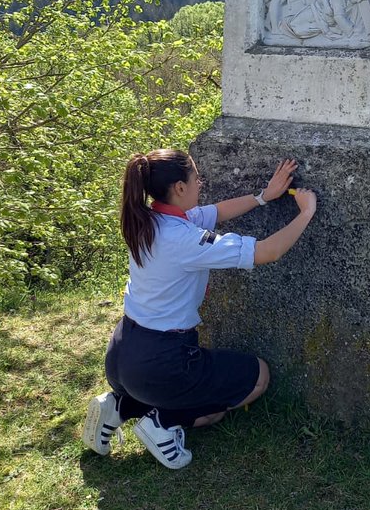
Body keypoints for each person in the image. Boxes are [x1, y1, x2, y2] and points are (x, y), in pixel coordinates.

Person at [82, 150, 316, 470]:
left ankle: (119, 408)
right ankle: (163, 422)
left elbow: (217, 211)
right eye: (196, 177)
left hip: (122, 352)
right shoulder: (183, 239)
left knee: (183, 389)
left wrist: (264, 196)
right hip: (162, 361)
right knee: (256, 377)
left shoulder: (148, 219)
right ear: (180, 187)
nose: (200, 182)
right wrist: (305, 213)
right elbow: (267, 252)